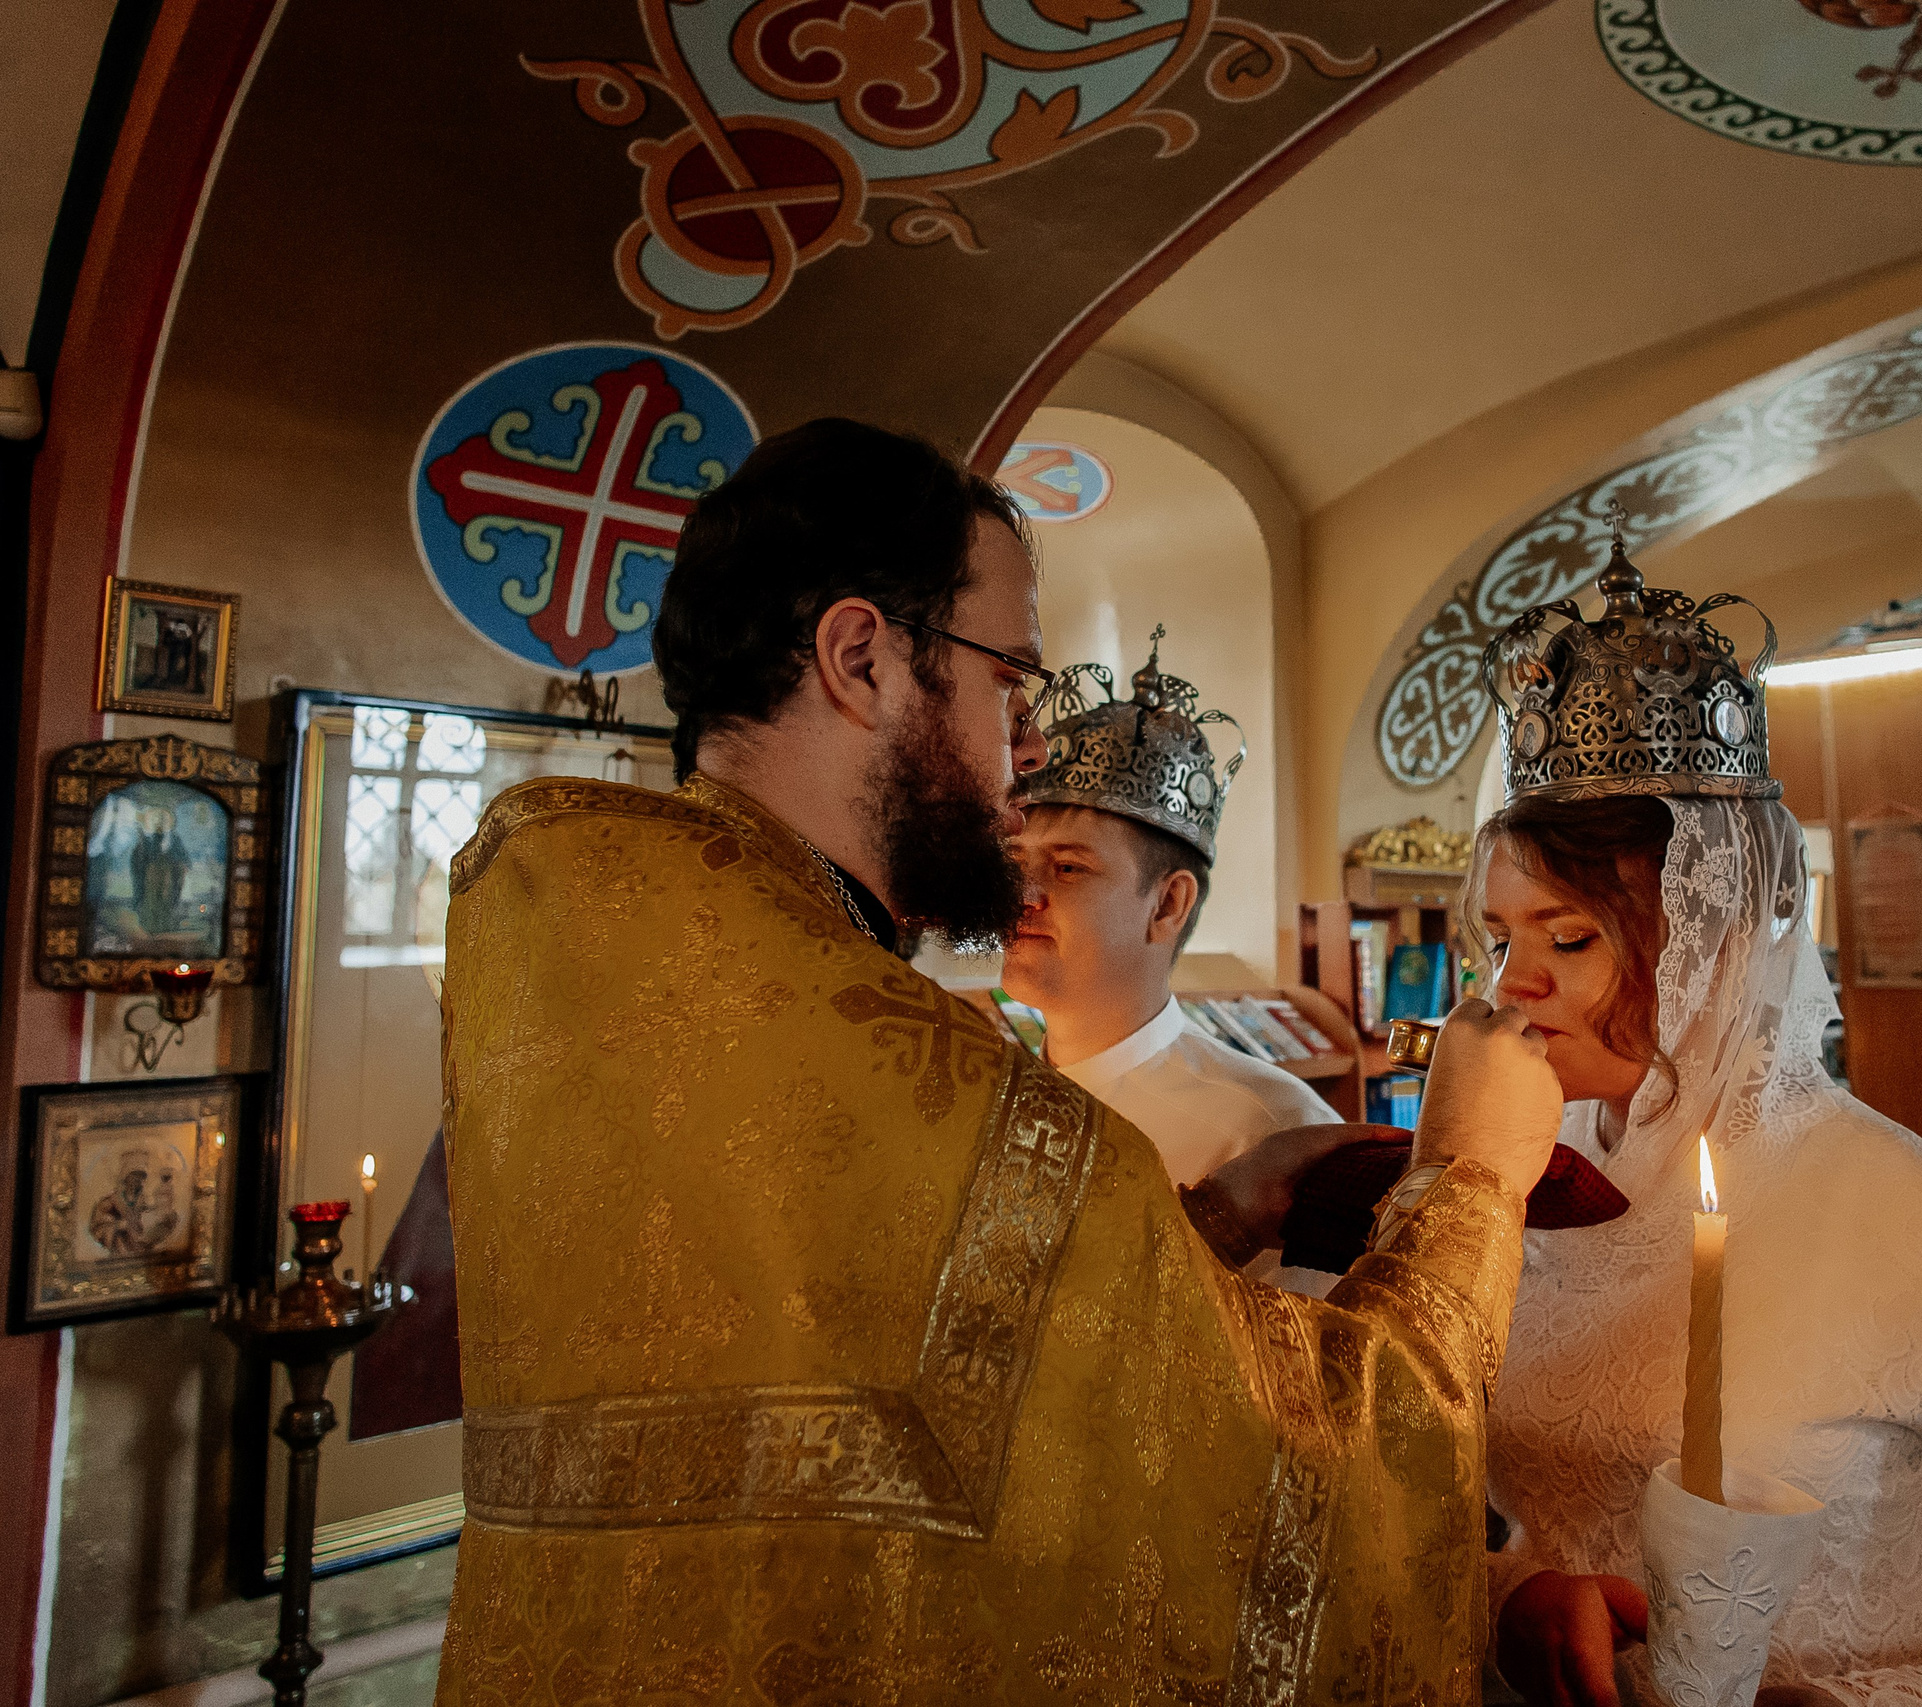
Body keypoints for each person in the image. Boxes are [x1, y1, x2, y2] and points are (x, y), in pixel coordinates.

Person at [434, 418, 1562, 1700]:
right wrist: (1470, 1177)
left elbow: (851, 1376)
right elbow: (1306, 1492)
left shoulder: (607, 969)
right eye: (1008, 681)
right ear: (860, 658)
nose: (1026, 753)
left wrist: (1197, 1218)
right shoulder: (910, 1070)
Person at [1467, 537, 1922, 1707]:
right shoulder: (1519, 1184)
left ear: (1715, 938)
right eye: (1498, 938)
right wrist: (1511, 1597)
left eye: (1568, 938)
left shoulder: (1912, 1215)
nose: (1513, 984)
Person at [1001, 634, 1338, 1190]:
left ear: (1167, 904)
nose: (1022, 893)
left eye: (1067, 868)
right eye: (1015, 861)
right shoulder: (988, 1091)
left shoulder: (1269, 1135)